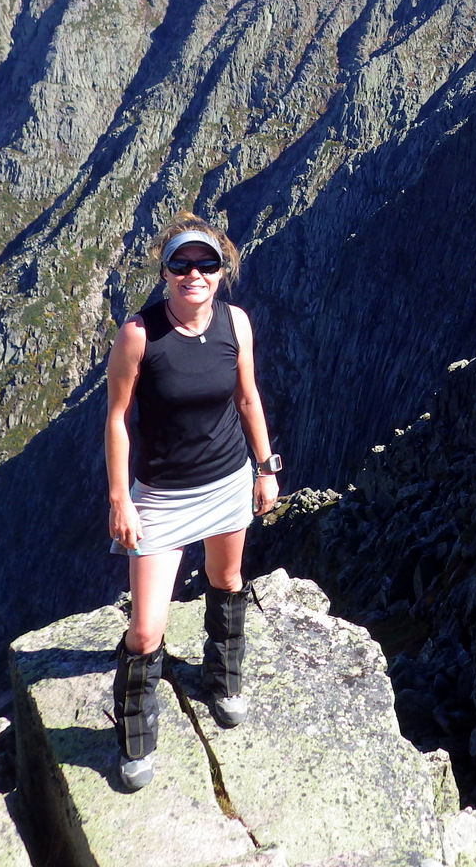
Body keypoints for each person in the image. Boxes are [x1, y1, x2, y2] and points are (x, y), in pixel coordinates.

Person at [105, 213, 281, 791]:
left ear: (221, 271)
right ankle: (134, 735)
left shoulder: (236, 324)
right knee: (146, 630)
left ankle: (223, 679)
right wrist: (120, 500)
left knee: (226, 581)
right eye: (181, 264)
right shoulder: (139, 334)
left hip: (228, 481)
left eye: (205, 264)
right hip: (159, 498)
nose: (193, 274)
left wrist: (265, 467)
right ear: (165, 272)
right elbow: (117, 420)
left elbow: (248, 398)